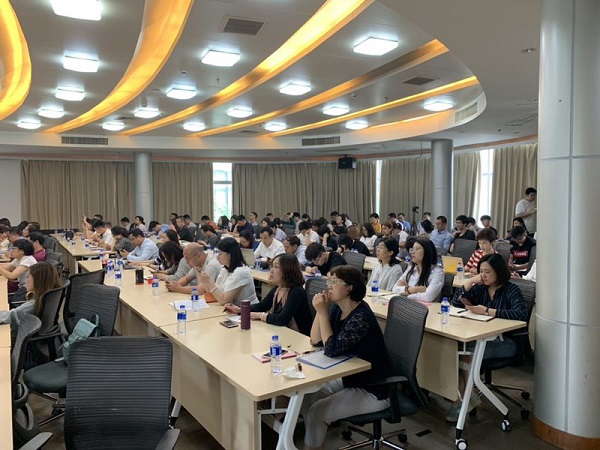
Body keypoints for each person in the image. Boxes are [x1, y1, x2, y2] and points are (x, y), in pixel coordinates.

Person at [301, 266, 392, 450]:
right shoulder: (338, 309)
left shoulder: (361, 316)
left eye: (334, 282)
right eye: (329, 281)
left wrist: (323, 313)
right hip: (350, 378)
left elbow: (331, 349)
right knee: (308, 396)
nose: (329, 286)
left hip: (373, 388)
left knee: (316, 413)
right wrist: (320, 312)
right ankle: (314, 440)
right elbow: (315, 340)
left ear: (349, 287)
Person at [446, 253, 528, 422]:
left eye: (487, 272)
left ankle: (464, 398)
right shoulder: (480, 288)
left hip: (507, 341)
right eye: (481, 271)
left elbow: (520, 313)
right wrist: (469, 282)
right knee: (454, 349)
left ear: (499, 271)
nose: (483, 275)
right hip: (482, 338)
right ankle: (468, 394)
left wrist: (487, 311)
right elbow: (455, 304)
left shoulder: (511, 289)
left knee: (465, 352)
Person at [225, 254, 312, 335]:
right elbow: (262, 306)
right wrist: (240, 310)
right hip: (282, 332)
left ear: (288, 270)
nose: (271, 271)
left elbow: (282, 319)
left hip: (299, 336)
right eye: (272, 266)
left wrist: (260, 315)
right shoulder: (278, 288)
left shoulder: (296, 292)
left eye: (276, 267)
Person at [197, 237, 257, 306]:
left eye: (220, 254)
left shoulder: (241, 272)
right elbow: (215, 294)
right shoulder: (225, 270)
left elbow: (223, 300)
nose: (217, 257)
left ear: (230, 255)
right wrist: (205, 281)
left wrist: (209, 282)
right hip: (232, 308)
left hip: (246, 310)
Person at [0, 262, 60, 329]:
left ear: (38, 280)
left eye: (28, 277)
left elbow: (9, 316)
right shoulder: (48, 298)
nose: (26, 281)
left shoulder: (33, 304)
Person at [392, 237, 444, 302]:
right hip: (407, 304)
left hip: (425, 307)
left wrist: (406, 292)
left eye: (417, 249)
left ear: (427, 251)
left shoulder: (437, 272)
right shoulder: (411, 268)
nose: (412, 252)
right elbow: (395, 289)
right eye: (412, 249)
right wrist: (414, 289)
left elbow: (428, 297)